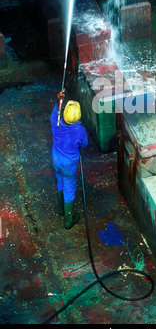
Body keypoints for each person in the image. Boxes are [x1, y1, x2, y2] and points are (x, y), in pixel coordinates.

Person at [51, 89, 88, 229]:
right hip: (69, 165)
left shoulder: (56, 123)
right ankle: (68, 219)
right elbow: (84, 144)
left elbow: (56, 112)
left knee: (59, 181)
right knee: (69, 188)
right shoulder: (80, 130)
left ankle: (61, 210)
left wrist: (58, 100)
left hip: (56, 160)